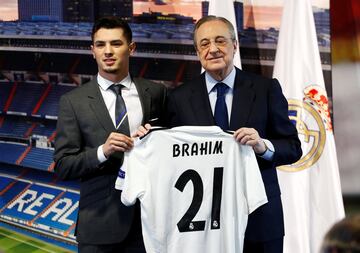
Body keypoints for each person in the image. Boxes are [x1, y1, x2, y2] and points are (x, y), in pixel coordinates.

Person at [138, 15, 302, 253]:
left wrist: (262, 146)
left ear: (234, 45)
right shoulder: (179, 98)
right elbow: (167, 153)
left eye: (220, 41)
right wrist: (149, 136)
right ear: (197, 51)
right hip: (203, 227)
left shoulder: (266, 89)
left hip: (260, 220)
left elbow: (293, 147)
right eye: (204, 43)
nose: (212, 49)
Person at [54, 16, 166, 252]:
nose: (108, 51)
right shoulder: (73, 102)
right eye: (100, 45)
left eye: (116, 43)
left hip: (150, 225)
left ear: (131, 48)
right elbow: (64, 166)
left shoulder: (156, 93)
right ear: (92, 51)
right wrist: (102, 152)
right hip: (99, 228)